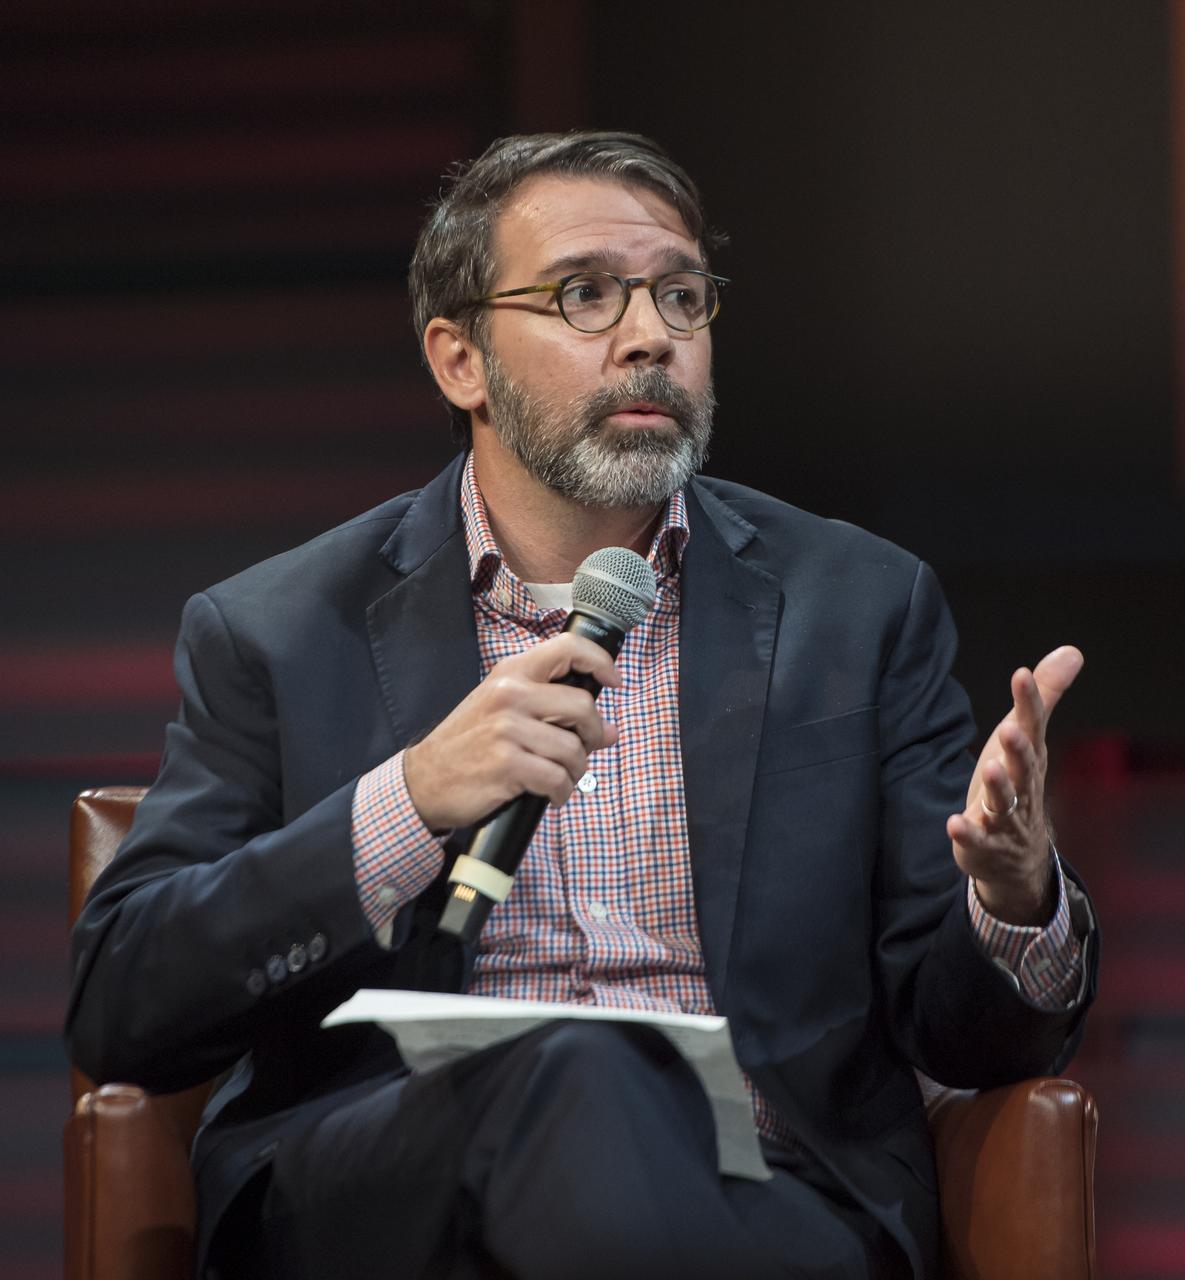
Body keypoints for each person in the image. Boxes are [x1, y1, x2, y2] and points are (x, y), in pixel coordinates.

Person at [66, 131, 1097, 1280]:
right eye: (587, 295)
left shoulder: (858, 607)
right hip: (394, 1192)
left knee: (614, 1102)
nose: (651, 334)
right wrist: (405, 802)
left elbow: (965, 1033)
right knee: (584, 1068)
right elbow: (123, 997)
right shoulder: (277, 629)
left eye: (680, 295)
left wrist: (1011, 902)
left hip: (763, 1193)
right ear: (460, 361)